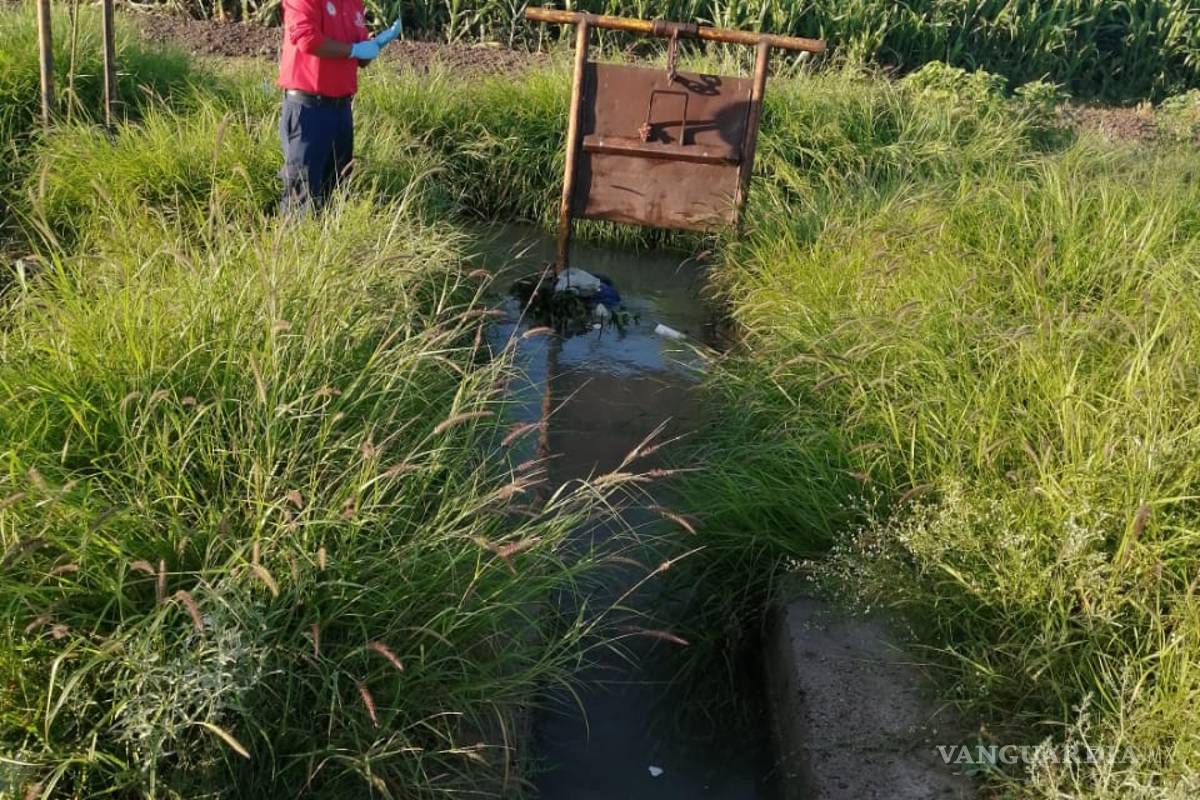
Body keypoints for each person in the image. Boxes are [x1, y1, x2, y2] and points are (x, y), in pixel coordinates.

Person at [277, 0, 401, 212]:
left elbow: (361, 59)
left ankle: (327, 244)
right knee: (301, 195)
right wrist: (354, 50)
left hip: (341, 109)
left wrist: (377, 44)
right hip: (308, 109)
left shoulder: (354, 3)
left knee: (335, 190)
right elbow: (308, 39)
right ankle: (293, 243)